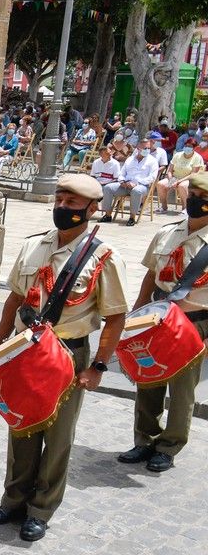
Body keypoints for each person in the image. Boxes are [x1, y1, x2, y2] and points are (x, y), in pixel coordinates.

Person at [0, 173, 127, 541]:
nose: (62, 207)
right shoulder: (33, 246)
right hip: (23, 351)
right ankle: (13, 501)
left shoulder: (104, 257)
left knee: (57, 436)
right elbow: (14, 297)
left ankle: (40, 510)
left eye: (72, 203)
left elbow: (115, 316)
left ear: (92, 209)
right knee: (21, 428)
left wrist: (99, 367)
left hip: (67, 355)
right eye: (60, 199)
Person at [118, 173, 208, 473]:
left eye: (202, 198)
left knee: (182, 390)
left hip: (193, 323)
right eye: (192, 194)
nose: (195, 201)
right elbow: (150, 273)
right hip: (156, 318)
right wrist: (136, 311)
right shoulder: (168, 232)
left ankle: (169, 446)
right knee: (148, 378)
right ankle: (144, 439)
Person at [102, 138, 159, 225]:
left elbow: (152, 177)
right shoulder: (130, 159)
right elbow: (121, 173)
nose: (147, 150)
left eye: (148, 148)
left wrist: (136, 183)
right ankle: (108, 215)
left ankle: (132, 217)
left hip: (142, 185)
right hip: (126, 184)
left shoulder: (152, 161)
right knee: (108, 188)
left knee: (136, 191)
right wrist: (122, 181)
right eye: (144, 148)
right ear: (138, 148)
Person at [155, 141, 206, 213]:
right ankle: (164, 206)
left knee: (182, 186)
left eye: (190, 146)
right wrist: (171, 180)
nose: (187, 148)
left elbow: (193, 174)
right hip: (174, 178)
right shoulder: (177, 155)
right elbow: (170, 170)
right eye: (186, 146)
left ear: (194, 148)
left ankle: (185, 208)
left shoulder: (197, 157)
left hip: (187, 179)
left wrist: (178, 181)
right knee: (160, 184)